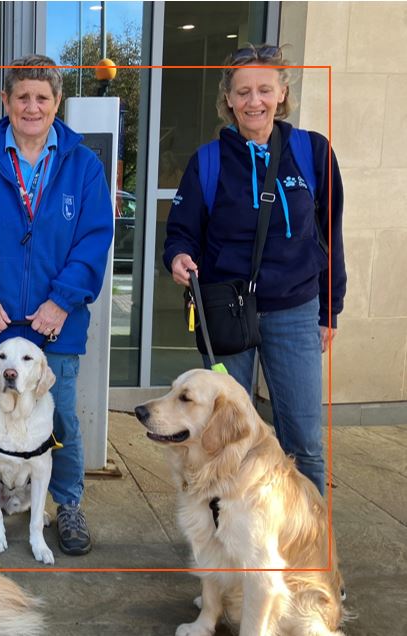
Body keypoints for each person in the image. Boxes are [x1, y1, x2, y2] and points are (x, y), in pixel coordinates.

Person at [0, 54, 114, 556]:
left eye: (43, 97)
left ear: (57, 105)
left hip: (55, 322)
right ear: (7, 101)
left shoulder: (83, 166)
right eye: (22, 96)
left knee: (61, 419)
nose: (32, 106)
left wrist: (62, 302)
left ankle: (67, 503)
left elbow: (94, 240)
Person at [164, 44, 346, 495]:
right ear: (228, 99)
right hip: (226, 312)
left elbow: (331, 234)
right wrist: (178, 257)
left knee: (304, 440)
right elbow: (181, 232)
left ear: (283, 93)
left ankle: (307, 536)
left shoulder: (311, 152)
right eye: (243, 92)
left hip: (295, 310)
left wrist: (330, 310)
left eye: (265, 89)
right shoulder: (208, 161)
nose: (254, 101)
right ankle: (227, 530)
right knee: (222, 437)